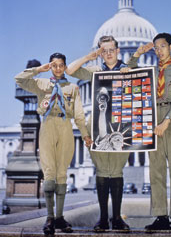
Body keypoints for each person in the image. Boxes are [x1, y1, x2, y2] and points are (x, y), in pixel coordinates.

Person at [66, 35, 151, 232]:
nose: (108, 54)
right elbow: (70, 70)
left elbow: (146, 89)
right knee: (103, 172)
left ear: (118, 50)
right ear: (100, 52)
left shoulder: (128, 69)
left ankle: (116, 218)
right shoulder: (96, 70)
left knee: (117, 171)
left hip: (121, 127)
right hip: (97, 126)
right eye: (104, 51)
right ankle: (103, 218)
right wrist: (90, 56)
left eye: (111, 49)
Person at [15, 53, 92, 235]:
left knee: (62, 173)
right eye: (54, 65)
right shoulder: (42, 84)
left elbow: (79, 114)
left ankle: (59, 217)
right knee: (49, 172)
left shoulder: (72, 88)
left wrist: (85, 135)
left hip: (65, 126)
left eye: (61, 65)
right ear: (51, 66)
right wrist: (38, 70)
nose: (58, 68)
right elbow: (19, 79)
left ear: (65, 67)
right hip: (48, 125)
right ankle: (50, 217)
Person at [128, 33, 171, 231]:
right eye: (156, 48)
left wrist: (166, 121)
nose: (159, 50)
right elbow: (128, 71)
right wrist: (138, 53)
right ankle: (161, 216)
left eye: (162, 46)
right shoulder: (150, 72)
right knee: (156, 171)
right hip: (153, 118)